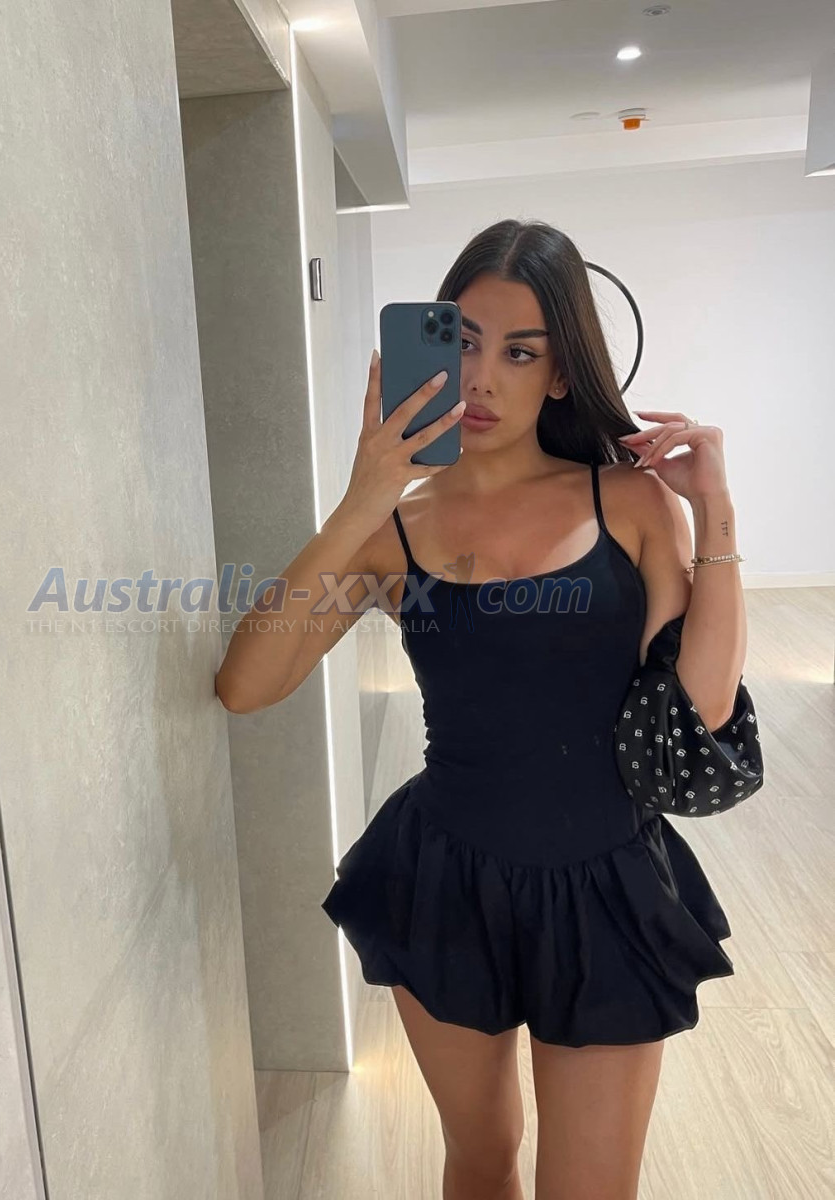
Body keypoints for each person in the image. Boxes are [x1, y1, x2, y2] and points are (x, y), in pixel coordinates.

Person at [214, 218, 747, 1200]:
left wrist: (714, 512)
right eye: (460, 342)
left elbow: (699, 710)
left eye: (520, 352)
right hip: (445, 878)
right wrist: (363, 498)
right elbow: (246, 687)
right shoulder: (394, 529)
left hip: (606, 886)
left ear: (562, 372)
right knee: (481, 1158)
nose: (481, 378)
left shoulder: (629, 503)